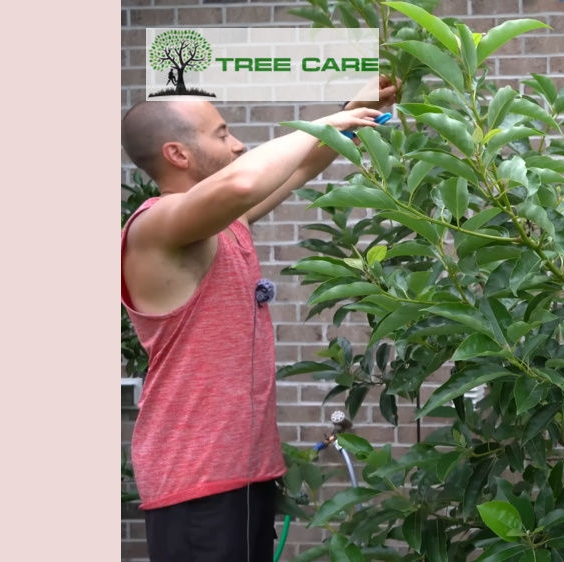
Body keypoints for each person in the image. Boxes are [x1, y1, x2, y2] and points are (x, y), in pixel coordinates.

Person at [119, 76, 397, 562]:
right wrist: (324, 122)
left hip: (243, 473)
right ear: (178, 154)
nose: (238, 143)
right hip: (196, 482)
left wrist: (352, 116)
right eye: (222, 133)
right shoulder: (155, 227)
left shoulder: (227, 221)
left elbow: (297, 170)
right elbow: (246, 178)